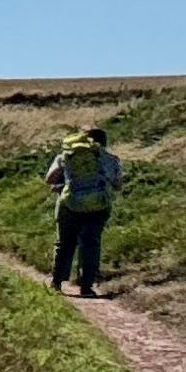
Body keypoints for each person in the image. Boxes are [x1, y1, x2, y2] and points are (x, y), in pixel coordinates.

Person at [45, 126, 122, 295]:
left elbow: (49, 178)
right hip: (99, 206)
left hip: (69, 204)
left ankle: (57, 283)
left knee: (64, 244)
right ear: (104, 142)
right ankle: (86, 286)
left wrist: (65, 183)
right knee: (91, 244)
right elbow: (117, 185)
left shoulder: (66, 156)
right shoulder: (111, 159)